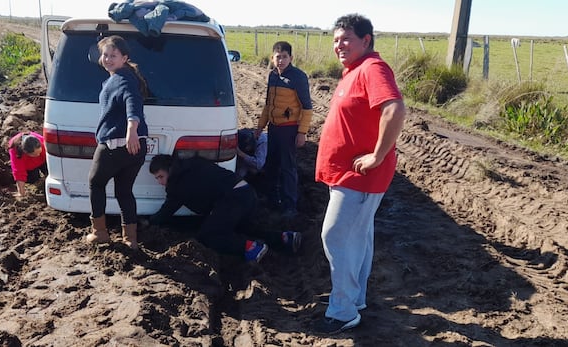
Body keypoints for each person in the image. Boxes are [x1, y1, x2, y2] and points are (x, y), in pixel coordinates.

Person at [313, 14, 406, 334]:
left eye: (346, 39)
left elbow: (395, 109)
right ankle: (355, 298)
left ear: (366, 41)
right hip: (345, 174)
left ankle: (342, 311)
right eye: (336, 39)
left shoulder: (373, 69)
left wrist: (377, 155)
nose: (339, 45)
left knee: (336, 236)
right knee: (359, 238)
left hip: (359, 177)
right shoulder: (353, 71)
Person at [147, 154, 301, 263]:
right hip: (246, 192)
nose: (160, 182)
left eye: (160, 176)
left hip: (232, 198)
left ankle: (249, 248)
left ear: (169, 169)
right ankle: (285, 238)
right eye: (156, 178)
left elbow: (166, 212)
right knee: (243, 227)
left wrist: (149, 222)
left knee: (208, 235)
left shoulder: (177, 185)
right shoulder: (192, 162)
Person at [85, 35, 149, 250]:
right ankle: (130, 239)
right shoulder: (125, 76)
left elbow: (133, 103)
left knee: (96, 183)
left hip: (117, 144)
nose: (108, 59)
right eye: (105, 55)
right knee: (124, 190)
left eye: (113, 55)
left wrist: (132, 130)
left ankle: (99, 233)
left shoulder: (122, 79)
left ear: (125, 58)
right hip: (135, 147)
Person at [255, 41, 313, 219]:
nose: (281, 61)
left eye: (284, 57)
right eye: (278, 57)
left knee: (288, 167)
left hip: (289, 130)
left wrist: (302, 132)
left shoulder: (298, 77)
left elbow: (307, 108)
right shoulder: (272, 76)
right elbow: (268, 105)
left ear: (291, 58)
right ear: (272, 59)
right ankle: (271, 199)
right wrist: (260, 127)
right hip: (274, 128)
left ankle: (290, 206)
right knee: (271, 165)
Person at [7, 131, 47, 198]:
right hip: (29, 166)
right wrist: (21, 193)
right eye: (35, 154)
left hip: (44, 159)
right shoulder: (16, 151)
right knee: (33, 180)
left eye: (39, 152)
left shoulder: (42, 142)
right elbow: (19, 171)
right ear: (25, 152)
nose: (38, 155)